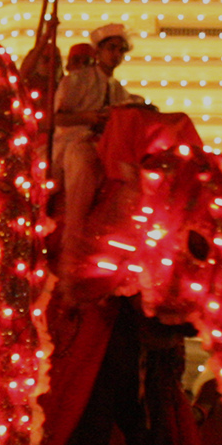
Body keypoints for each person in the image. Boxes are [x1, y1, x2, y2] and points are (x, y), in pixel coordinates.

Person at [52, 25, 144, 284]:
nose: (116, 54)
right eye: (111, 48)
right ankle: (71, 251)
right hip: (76, 142)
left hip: (109, 146)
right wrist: (90, 117)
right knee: (84, 171)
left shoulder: (120, 91)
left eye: (121, 50)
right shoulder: (76, 81)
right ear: (98, 51)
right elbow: (57, 117)